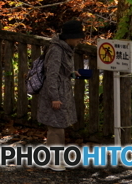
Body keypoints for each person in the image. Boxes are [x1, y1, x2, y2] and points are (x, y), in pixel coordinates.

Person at [37, 19, 85, 158]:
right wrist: (55, 98)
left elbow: (58, 70)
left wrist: (70, 73)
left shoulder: (64, 48)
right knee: (56, 127)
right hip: (55, 92)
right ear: (70, 37)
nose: (78, 41)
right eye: (77, 38)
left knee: (58, 126)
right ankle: (54, 160)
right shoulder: (57, 50)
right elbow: (51, 74)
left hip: (61, 90)